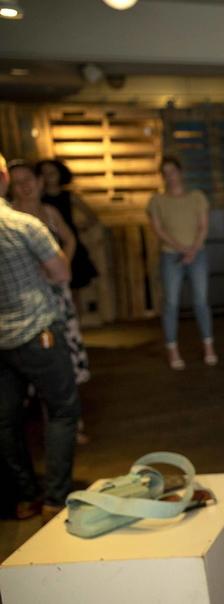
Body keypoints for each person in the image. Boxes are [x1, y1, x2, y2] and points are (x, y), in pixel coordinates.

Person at [0, 151, 81, 521]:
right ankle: (54, 498)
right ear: (4, 179)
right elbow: (61, 272)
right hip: (37, 331)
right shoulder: (22, 225)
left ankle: (23, 497)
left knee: (6, 419)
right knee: (62, 410)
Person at [9, 160, 92, 444]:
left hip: (59, 293)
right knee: (41, 364)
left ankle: (70, 424)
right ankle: (50, 425)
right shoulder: (12, 219)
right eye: (16, 181)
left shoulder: (49, 212)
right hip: (30, 303)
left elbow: (70, 239)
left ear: (39, 181)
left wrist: (60, 264)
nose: (24, 186)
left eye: (28, 179)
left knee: (66, 355)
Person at [146, 156, 217, 369]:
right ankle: (172, 350)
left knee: (201, 301)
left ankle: (209, 347)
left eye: (173, 171)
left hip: (198, 254)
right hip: (170, 255)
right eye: (165, 173)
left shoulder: (197, 197)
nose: (170, 177)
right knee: (171, 304)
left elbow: (203, 226)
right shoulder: (157, 201)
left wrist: (193, 249)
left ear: (181, 172)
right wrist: (181, 248)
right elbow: (158, 229)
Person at [37, 158, 100, 292]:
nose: (48, 178)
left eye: (52, 173)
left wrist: (80, 228)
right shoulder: (39, 200)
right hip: (49, 242)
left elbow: (92, 216)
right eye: (44, 174)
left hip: (69, 241)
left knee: (74, 287)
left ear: (60, 174)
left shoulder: (68, 196)